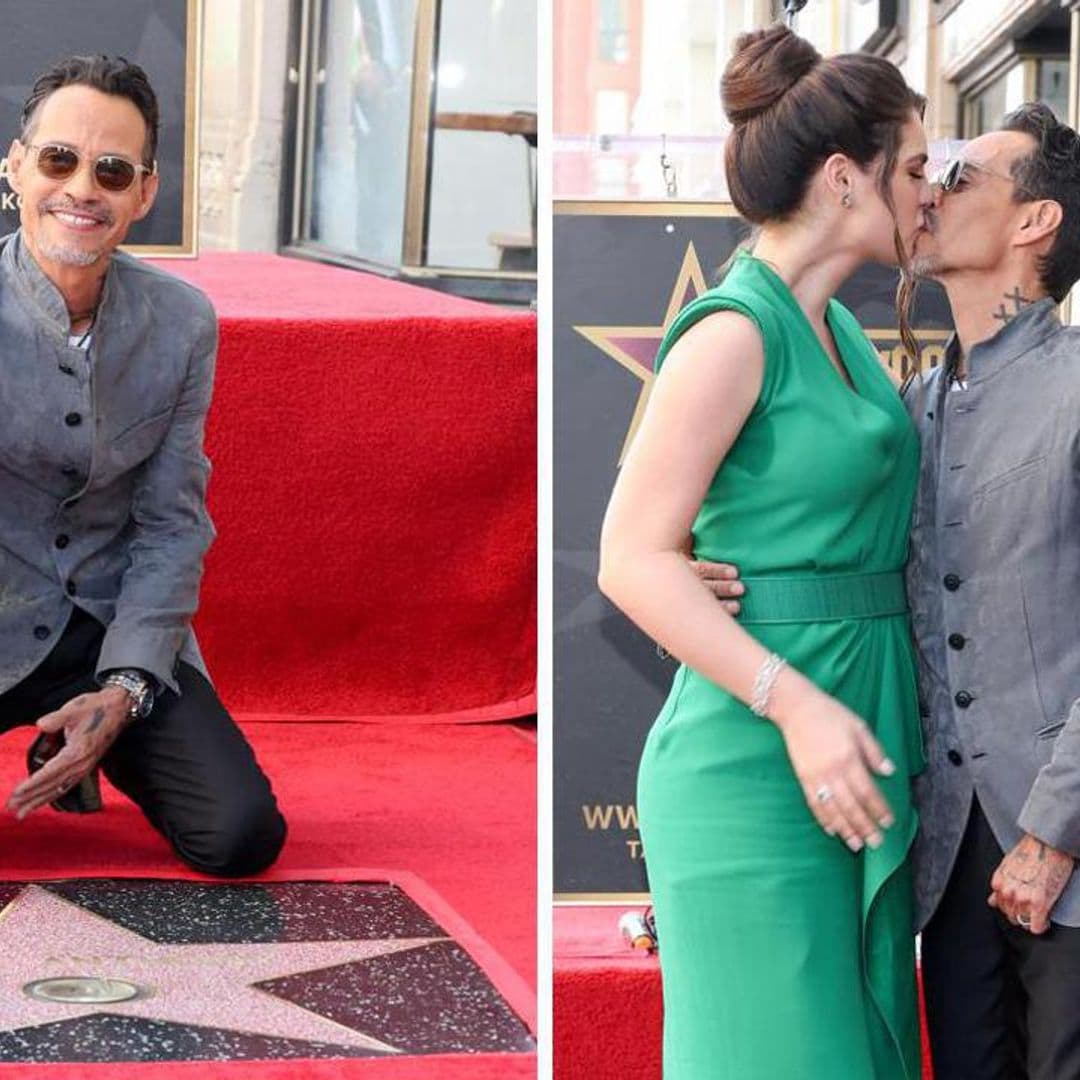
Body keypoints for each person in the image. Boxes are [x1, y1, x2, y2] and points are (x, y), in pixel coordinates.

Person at [597, 24, 932, 1080]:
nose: (932, 192)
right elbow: (630, 558)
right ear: (847, 176)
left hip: (856, 733)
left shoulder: (834, 329)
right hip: (757, 764)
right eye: (916, 168)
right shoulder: (735, 330)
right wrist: (793, 700)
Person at [0, 56, 286, 876]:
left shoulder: (181, 322)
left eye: (112, 171)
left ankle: (90, 732)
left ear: (145, 194)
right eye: (59, 160)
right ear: (16, 168)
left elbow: (171, 523)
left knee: (238, 837)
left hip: (101, 625)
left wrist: (124, 688)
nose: (82, 189)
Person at [900, 102, 1080, 1080]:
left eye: (964, 175)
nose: (935, 188)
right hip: (949, 856)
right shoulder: (913, 409)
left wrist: (1055, 829)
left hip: (1068, 849)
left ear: (1032, 223)